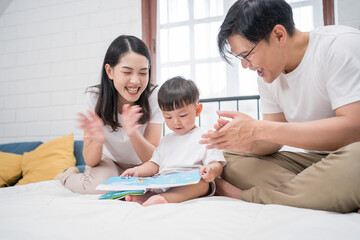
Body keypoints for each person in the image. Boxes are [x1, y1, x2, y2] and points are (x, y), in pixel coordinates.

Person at [200, 0, 360, 213]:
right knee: (229, 160)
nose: (245, 65)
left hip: (352, 154)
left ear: (278, 35)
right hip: (316, 162)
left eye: (247, 55)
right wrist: (244, 141)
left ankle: (245, 195)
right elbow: (272, 143)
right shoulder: (269, 75)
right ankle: (328, 192)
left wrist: (258, 128)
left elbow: (354, 129)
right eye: (240, 58)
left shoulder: (339, 45)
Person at [55, 35, 163, 194]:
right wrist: (98, 140)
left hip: (142, 164)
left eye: (143, 73)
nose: (136, 81)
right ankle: (67, 176)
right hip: (108, 163)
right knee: (98, 187)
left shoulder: (154, 96)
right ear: (110, 71)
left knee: (155, 189)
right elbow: (91, 161)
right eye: (127, 72)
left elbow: (152, 158)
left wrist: (133, 133)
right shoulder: (94, 97)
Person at [121, 76, 226, 206]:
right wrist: (137, 170)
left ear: (197, 110)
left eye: (182, 115)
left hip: (191, 181)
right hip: (165, 182)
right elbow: (154, 164)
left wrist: (211, 170)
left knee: (202, 184)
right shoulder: (166, 140)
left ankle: (165, 199)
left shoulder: (205, 137)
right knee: (151, 181)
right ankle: (151, 196)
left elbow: (217, 163)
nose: (175, 122)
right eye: (168, 117)